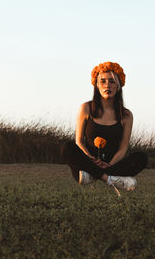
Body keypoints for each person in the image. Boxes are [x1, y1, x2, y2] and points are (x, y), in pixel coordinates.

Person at [60, 61, 148, 191]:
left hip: (112, 164)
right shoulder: (85, 108)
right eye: (103, 81)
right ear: (96, 85)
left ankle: (94, 175)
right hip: (87, 162)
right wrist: (90, 159)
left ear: (119, 85)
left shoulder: (126, 115)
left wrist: (109, 164)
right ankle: (109, 179)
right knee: (67, 147)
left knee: (141, 158)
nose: (108, 85)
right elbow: (79, 141)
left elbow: (123, 148)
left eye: (112, 81)